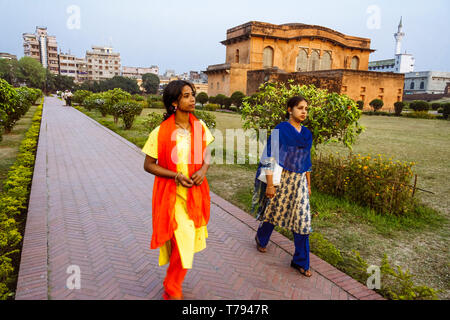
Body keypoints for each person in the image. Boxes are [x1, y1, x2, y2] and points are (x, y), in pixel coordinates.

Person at [142, 80, 214, 300]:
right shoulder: (160, 132)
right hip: (171, 195)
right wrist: (176, 176)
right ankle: (173, 288)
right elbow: (148, 164)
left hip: (194, 194)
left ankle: (171, 281)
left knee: (187, 239)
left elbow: (208, 155)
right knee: (183, 238)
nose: (192, 99)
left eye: (192, 94)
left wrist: (203, 170)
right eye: (186, 96)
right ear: (174, 102)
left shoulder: (199, 127)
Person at [252, 96, 314, 277]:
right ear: (289, 110)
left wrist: (308, 185)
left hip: (300, 180)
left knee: (302, 220)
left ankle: (300, 261)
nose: (304, 112)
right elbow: (269, 156)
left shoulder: (307, 134)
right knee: (274, 211)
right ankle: (261, 237)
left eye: (306, 109)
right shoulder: (281, 130)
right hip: (282, 178)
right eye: (300, 108)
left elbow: (306, 160)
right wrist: (270, 185)